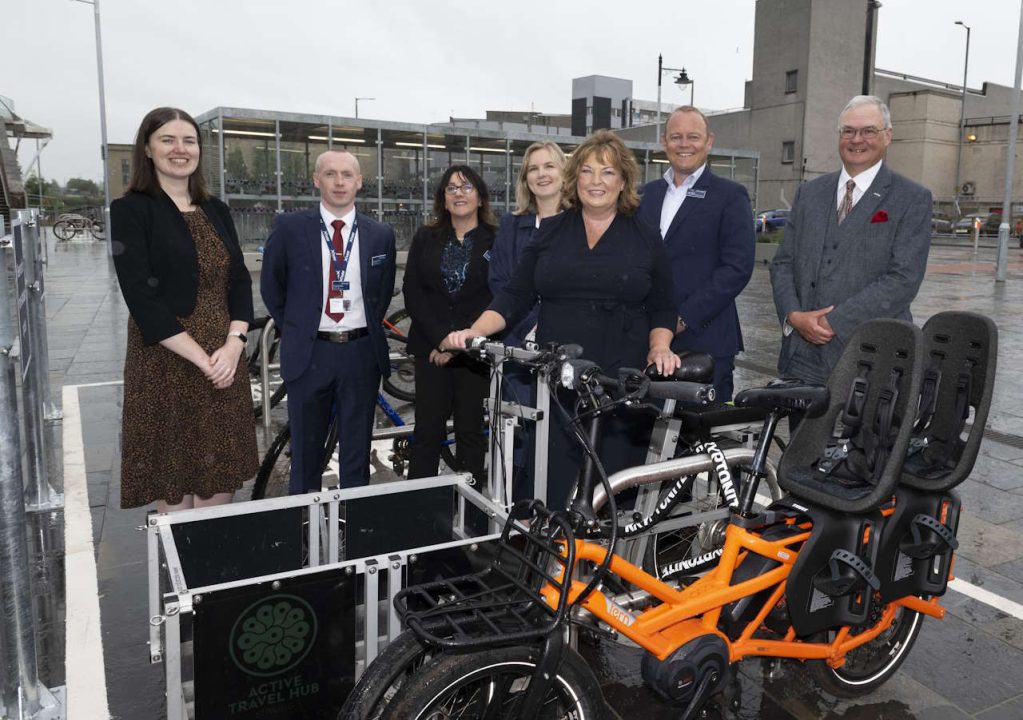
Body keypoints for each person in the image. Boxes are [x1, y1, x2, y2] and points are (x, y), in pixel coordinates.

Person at [445, 130, 680, 510]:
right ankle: (552, 559)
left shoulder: (645, 236)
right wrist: (475, 331)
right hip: (561, 380)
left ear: (623, 181)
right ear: (575, 180)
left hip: (619, 380)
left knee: (613, 488)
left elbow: (665, 305)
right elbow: (515, 295)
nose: (596, 182)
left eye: (607, 173)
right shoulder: (552, 232)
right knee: (553, 480)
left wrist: (660, 346)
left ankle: (607, 564)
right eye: (586, 172)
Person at [111, 107, 258, 511]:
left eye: (189, 140)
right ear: (148, 148)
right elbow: (141, 297)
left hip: (223, 362)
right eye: (168, 140)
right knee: (174, 484)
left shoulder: (217, 209)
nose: (180, 149)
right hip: (167, 362)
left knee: (218, 483)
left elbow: (240, 281)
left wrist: (233, 345)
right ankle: (181, 572)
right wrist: (202, 359)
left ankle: (213, 570)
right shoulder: (131, 210)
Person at [770, 95, 931, 387]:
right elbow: (783, 263)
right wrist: (794, 316)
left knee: (868, 435)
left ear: (888, 136)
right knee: (802, 435)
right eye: (848, 131)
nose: (857, 139)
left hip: (873, 359)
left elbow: (904, 278)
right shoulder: (809, 193)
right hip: (803, 359)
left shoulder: (912, 198)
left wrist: (833, 322)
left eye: (869, 130)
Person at [260, 150, 396, 493]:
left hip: (361, 354)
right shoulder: (290, 228)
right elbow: (271, 286)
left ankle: (354, 532)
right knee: (305, 454)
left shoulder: (380, 234)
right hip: (310, 354)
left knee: (356, 453)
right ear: (316, 180)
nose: (339, 182)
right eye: (331, 174)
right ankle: (301, 530)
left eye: (347, 175)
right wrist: (298, 328)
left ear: (359, 182)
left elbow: (380, 291)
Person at [638, 106, 755, 401]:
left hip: (706, 340)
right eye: (676, 136)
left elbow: (736, 268)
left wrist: (681, 318)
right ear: (664, 141)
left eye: (693, 136)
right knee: (648, 438)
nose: (684, 144)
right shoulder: (643, 195)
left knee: (704, 440)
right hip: (646, 340)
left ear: (709, 141)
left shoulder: (730, 195)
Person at [403, 166, 496, 484]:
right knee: (427, 432)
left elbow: (494, 298)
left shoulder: (495, 241)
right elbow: (413, 292)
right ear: (442, 199)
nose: (459, 193)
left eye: (467, 187)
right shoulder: (426, 237)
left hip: (474, 355)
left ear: (480, 197)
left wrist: (457, 346)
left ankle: (472, 517)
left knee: (472, 434)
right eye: (451, 188)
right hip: (431, 351)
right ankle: (420, 511)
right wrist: (441, 339)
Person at [489, 141, 567, 498]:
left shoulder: (579, 222)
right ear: (525, 178)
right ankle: (516, 510)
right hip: (518, 349)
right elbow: (502, 283)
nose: (542, 174)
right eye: (534, 168)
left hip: (564, 349)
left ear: (564, 172)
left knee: (559, 434)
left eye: (549, 166)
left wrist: (547, 328)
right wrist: (527, 333)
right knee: (518, 432)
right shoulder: (512, 224)